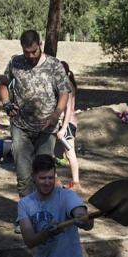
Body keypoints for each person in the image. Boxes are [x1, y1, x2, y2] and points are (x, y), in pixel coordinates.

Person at [0, 30, 71, 204]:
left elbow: (64, 93)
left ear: (40, 45)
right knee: (23, 174)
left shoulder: (54, 65)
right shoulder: (15, 62)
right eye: (26, 52)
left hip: (47, 128)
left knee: (45, 174)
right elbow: (3, 84)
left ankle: (45, 210)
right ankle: (26, 212)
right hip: (20, 126)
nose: (30, 56)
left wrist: (56, 115)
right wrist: (6, 103)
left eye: (34, 52)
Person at [56, 61, 81, 191]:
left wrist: (64, 128)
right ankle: (56, 182)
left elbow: (69, 108)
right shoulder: (64, 84)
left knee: (70, 154)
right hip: (63, 123)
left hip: (67, 124)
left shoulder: (67, 85)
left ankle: (76, 183)